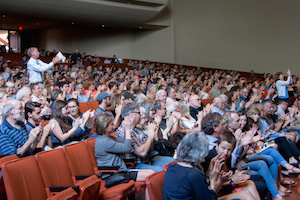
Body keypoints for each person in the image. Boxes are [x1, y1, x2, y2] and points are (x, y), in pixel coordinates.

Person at [163, 131, 256, 200]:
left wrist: (211, 176)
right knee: (246, 195)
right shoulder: (194, 173)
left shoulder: (171, 167)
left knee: (246, 193)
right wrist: (214, 180)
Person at [94, 112, 154, 182]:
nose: (114, 124)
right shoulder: (104, 141)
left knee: (151, 172)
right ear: (105, 128)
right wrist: (128, 128)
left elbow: (124, 141)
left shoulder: (107, 138)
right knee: (151, 175)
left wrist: (129, 127)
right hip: (113, 174)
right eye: (111, 124)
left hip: (119, 171)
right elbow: (127, 147)